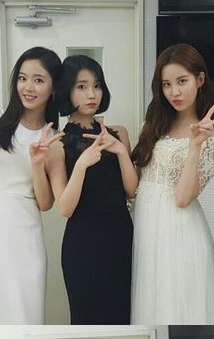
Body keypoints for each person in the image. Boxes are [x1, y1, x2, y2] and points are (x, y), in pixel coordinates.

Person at [0, 48, 63, 324]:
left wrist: (37, 163)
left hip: (25, 235)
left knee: (24, 314)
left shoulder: (53, 139)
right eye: (22, 78)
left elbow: (45, 204)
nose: (28, 87)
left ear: (54, 87)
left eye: (39, 80)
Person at [131, 44, 214, 324]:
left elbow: (184, 198)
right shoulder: (152, 125)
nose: (174, 92)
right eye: (166, 84)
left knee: (179, 305)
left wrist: (195, 145)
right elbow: (137, 182)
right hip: (146, 226)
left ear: (200, 80)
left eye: (182, 81)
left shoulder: (213, 139)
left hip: (179, 230)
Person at [50, 55, 137, 324]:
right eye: (82, 86)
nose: (92, 94)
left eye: (97, 86)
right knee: (85, 316)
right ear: (67, 90)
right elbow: (65, 208)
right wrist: (81, 165)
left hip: (121, 237)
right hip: (83, 244)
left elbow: (132, 191)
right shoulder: (58, 143)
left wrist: (120, 151)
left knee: (124, 315)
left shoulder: (119, 133)